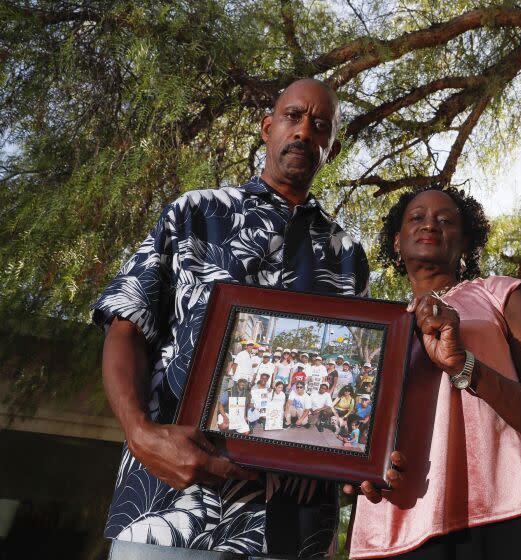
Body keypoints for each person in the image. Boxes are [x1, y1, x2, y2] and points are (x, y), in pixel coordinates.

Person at [94, 78, 376, 558]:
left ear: (332, 147)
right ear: (268, 128)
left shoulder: (347, 257)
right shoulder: (193, 214)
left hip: (293, 528)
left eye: (321, 125)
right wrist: (140, 432)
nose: (305, 131)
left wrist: (358, 456)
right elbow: (127, 324)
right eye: (293, 116)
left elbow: (360, 387)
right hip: (168, 507)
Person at [348, 186, 521, 559]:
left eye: (446, 220)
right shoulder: (374, 332)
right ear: (396, 241)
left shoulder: (499, 295)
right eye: (417, 217)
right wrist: (355, 468)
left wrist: (465, 367)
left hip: (504, 514)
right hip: (390, 532)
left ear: (466, 241)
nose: (431, 225)